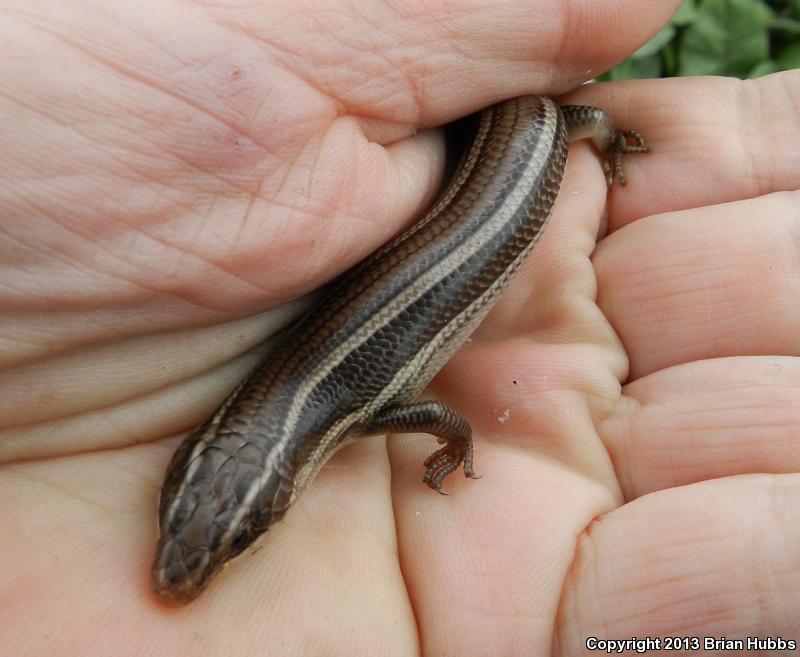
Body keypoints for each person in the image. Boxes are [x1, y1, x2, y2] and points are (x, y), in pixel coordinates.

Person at [3, 0, 798, 653]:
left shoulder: (352, 411)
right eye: (219, 534)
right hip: (488, 164)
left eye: (237, 536)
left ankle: (600, 127)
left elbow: (442, 415)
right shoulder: (296, 392)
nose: (186, 566)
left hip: (529, 140)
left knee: (574, 120)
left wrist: (460, 442)